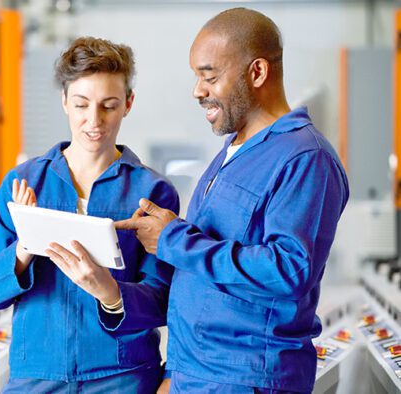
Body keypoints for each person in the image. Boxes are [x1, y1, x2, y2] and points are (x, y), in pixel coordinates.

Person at [116, 8, 349, 394]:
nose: (197, 90)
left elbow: (289, 269)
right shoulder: (232, 152)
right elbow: (201, 281)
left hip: (249, 379)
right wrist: (174, 373)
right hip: (197, 374)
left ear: (257, 73)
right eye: (196, 77)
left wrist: (174, 240)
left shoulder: (305, 158)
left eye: (209, 77)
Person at [0, 36, 180, 393]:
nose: (93, 121)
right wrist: (25, 247)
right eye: (82, 104)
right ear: (65, 101)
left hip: (120, 376)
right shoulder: (24, 183)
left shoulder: (152, 192)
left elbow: (164, 298)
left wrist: (110, 292)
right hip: (37, 375)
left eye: (109, 106)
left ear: (128, 104)